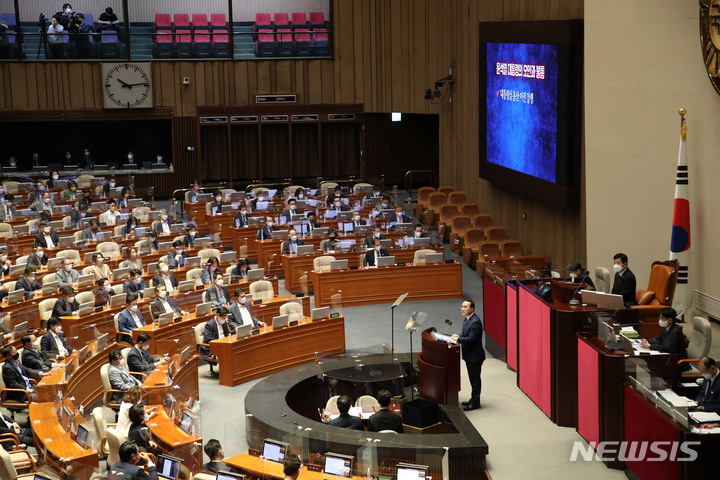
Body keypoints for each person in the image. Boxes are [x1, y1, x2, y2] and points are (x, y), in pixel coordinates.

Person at [450, 298, 485, 411]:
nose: (463, 309)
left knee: (475, 380)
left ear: (472, 309)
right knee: (472, 378)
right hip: (469, 355)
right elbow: (466, 334)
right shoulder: (467, 319)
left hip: (475, 356)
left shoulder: (475, 322)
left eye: (465, 307)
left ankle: (475, 402)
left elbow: (471, 338)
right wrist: (458, 335)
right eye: (462, 306)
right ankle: (473, 399)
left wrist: (459, 339)